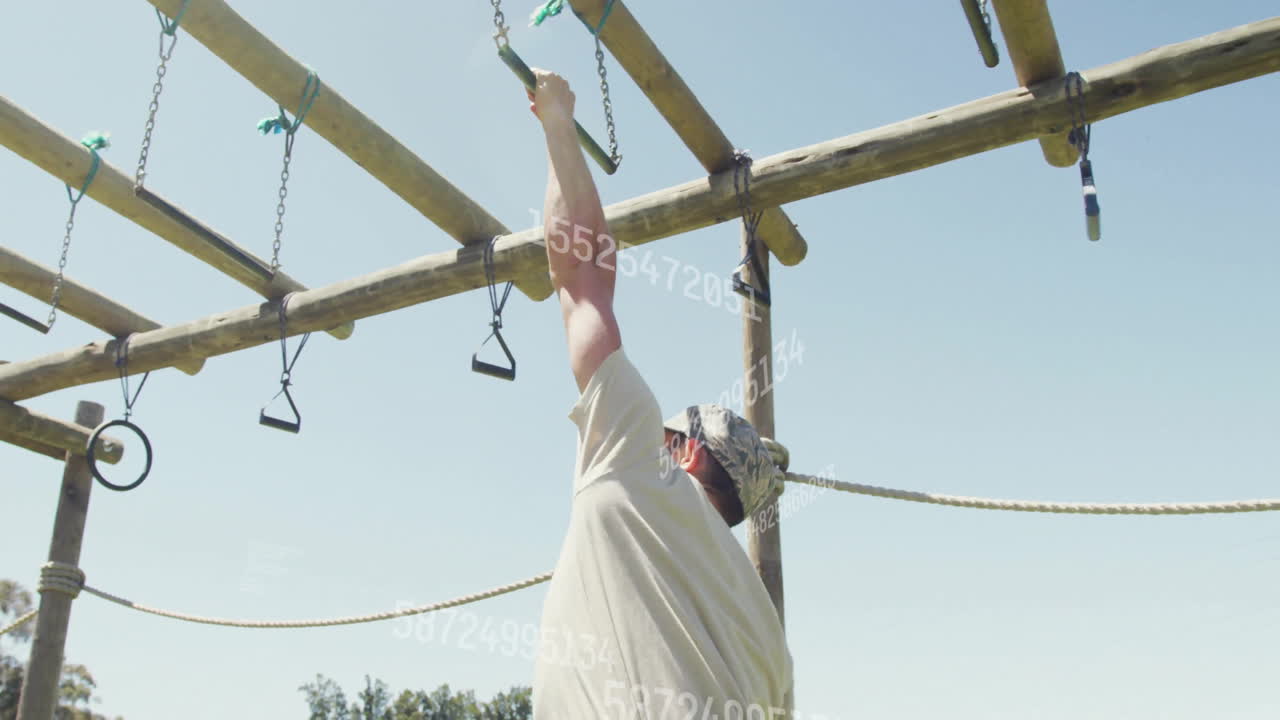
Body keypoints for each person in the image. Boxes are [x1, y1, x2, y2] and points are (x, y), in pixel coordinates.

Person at [527, 69, 794, 719]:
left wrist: (558, 124)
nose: (659, 441)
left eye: (669, 437)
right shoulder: (768, 639)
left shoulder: (635, 471)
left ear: (691, 456)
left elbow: (581, 273)